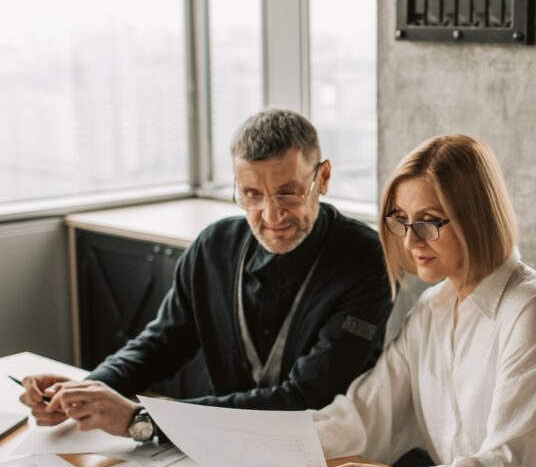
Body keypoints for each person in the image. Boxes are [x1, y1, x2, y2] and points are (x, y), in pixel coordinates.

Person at [301, 134, 536, 467]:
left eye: (429, 221)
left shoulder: (535, 307)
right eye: (401, 219)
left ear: (477, 215)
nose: (411, 240)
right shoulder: (432, 308)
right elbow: (365, 416)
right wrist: (280, 444)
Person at [19, 109, 391, 442]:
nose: (271, 215)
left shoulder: (368, 259)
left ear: (323, 178)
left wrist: (142, 420)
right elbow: (161, 344)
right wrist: (89, 390)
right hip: (219, 449)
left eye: (288, 193)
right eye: (251, 195)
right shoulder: (214, 246)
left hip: (331, 458)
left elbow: (306, 399)